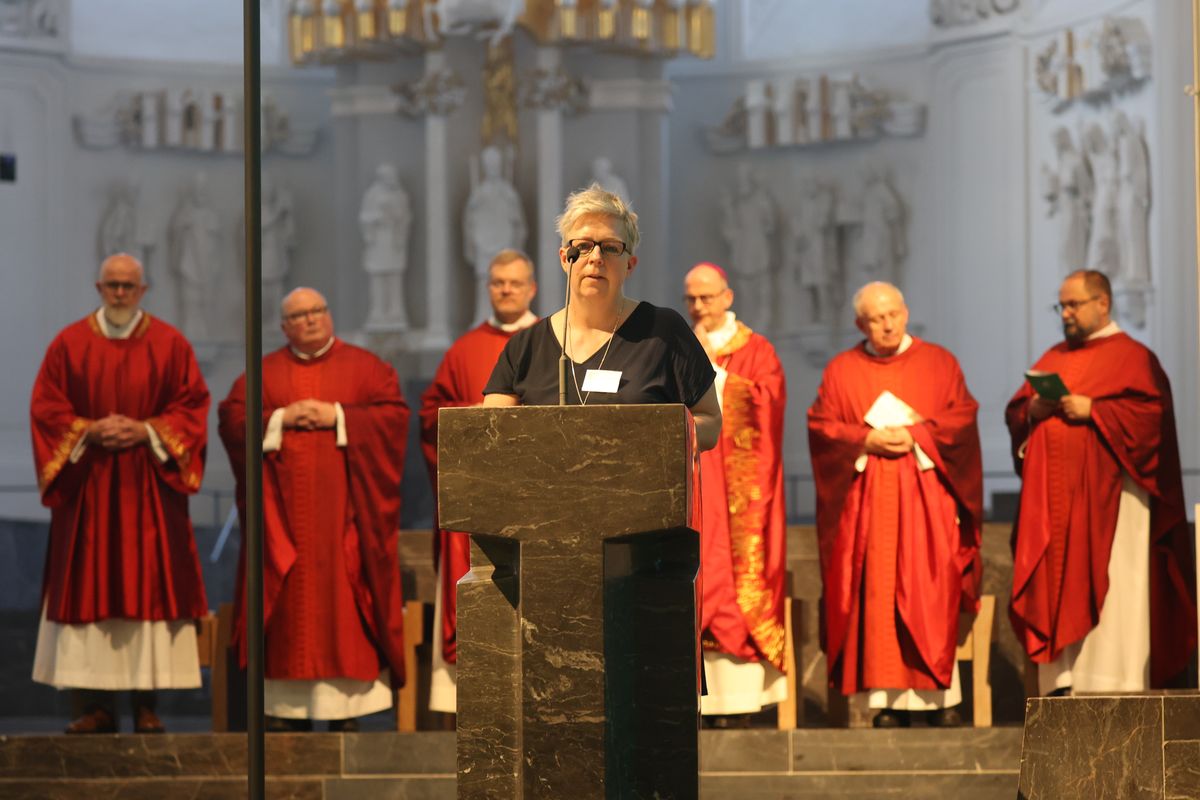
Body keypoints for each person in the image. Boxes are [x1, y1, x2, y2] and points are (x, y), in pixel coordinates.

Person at [30, 252, 210, 734]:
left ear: (143, 290)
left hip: (147, 491)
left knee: (148, 594)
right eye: (112, 285)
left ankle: (147, 706)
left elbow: (192, 407)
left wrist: (146, 430)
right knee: (88, 593)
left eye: (129, 286)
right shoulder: (68, 345)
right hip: (88, 491)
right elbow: (47, 408)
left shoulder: (170, 344)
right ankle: (94, 707)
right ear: (98, 287)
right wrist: (85, 430)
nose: (120, 294)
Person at [218, 287, 410, 732]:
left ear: (329, 315)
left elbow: (394, 419)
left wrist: (340, 416)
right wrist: (280, 419)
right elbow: (231, 420)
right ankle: (287, 712)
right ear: (284, 327)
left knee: (345, 605)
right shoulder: (262, 375)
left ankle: (347, 714)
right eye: (299, 316)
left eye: (317, 311)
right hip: (282, 527)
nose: (310, 320)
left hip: (346, 524)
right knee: (289, 613)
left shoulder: (367, 369)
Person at [1006, 270, 1195, 695]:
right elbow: (1017, 410)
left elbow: (1153, 422)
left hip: (1113, 505)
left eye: (1073, 305)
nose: (1066, 314)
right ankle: (1062, 679)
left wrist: (1097, 411)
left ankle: (1114, 681)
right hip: (1054, 513)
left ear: (1103, 304)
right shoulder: (1053, 357)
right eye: (1062, 306)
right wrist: (1032, 411)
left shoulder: (1133, 357)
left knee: (1115, 594)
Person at [808, 281, 982, 728]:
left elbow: (962, 419)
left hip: (928, 505)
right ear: (859, 324)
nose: (886, 324)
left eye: (893, 314)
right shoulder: (842, 370)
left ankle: (940, 699)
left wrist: (918, 434)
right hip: (868, 507)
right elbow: (822, 427)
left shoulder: (940, 363)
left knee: (932, 588)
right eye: (875, 318)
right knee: (877, 595)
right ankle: (885, 703)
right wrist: (864, 438)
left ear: (905, 313)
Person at [482, 183, 721, 454]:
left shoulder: (664, 333)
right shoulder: (525, 346)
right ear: (564, 258)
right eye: (583, 247)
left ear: (630, 264)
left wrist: (652, 438)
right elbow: (492, 436)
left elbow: (710, 421)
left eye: (610, 248)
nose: (595, 258)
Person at [419, 249, 538, 714]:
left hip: (534, 499)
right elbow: (431, 418)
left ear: (532, 287)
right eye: (497, 283)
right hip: (475, 501)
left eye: (514, 282)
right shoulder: (463, 350)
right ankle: (470, 702)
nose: (505, 290)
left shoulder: (554, 340)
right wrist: (469, 419)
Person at [684, 262, 787, 725]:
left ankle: (741, 702)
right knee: (697, 577)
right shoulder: (678, 347)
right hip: (692, 481)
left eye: (706, 298)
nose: (698, 307)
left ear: (727, 297)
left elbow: (770, 400)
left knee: (736, 580)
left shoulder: (756, 349)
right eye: (691, 299)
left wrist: (719, 380)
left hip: (740, 489)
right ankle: (693, 699)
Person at [464, 145, 527, 323]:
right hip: (483, 241)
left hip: (503, 240)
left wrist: (517, 242)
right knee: (485, 279)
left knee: (504, 279)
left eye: (495, 164)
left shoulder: (508, 193)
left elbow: (517, 221)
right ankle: (483, 317)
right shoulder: (479, 193)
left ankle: (505, 315)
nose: (492, 168)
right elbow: (470, 220)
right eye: (489, 165)